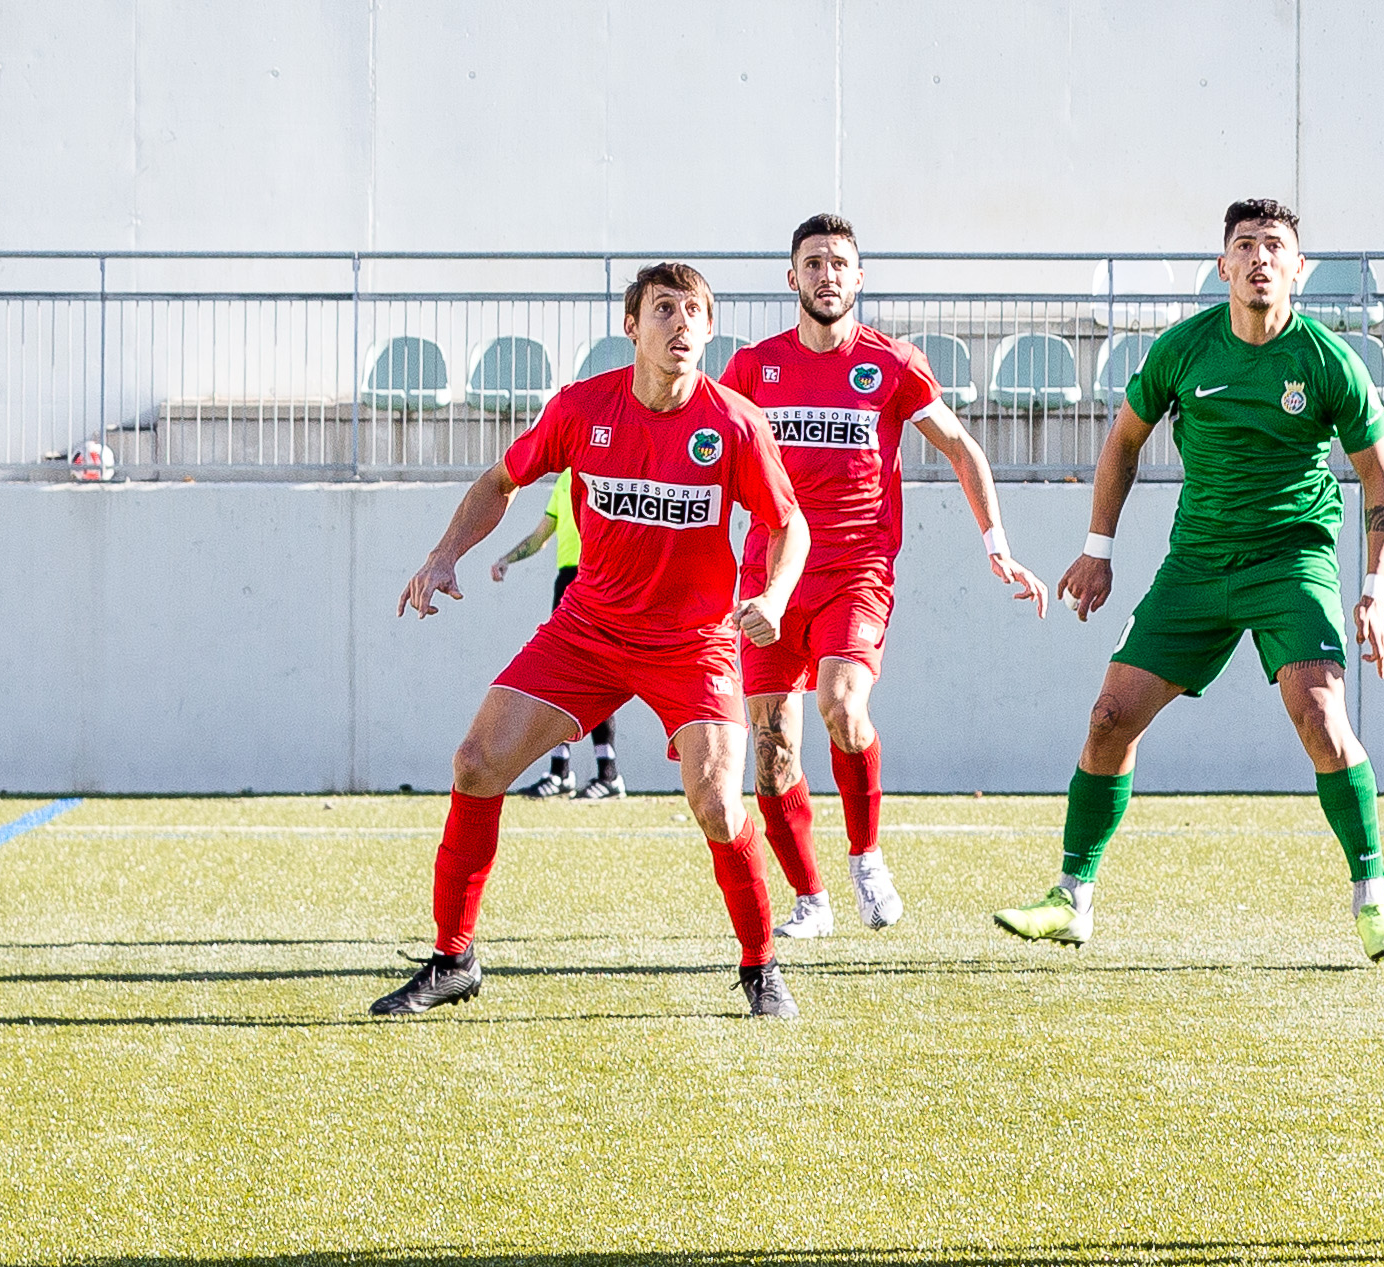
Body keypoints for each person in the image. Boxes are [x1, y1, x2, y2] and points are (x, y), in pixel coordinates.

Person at [377, 262, 808, 1018]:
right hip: (588, 631)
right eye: (663, 308)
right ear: (631, 326)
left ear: (709, 330)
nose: (681, 323)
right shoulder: (582, 408)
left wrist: (772, 594)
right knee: (475, 764)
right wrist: (445, 554)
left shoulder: (735, 422)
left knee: (715, 804)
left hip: (693, 644)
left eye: (695, 312)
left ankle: (760, 966)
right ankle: (453, 959)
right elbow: (498, 481)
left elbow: (788, 523)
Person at [992, 199, 1384, 962]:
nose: (1258, 258)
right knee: (1108, 717)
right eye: (1244, 245)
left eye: (1273, 246)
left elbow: (1380, 482)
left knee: (1319, 717)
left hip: (1291, 559)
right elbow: (1123, 441)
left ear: (1297, 268)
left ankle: (1371, 896)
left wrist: (1375, 589)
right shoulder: (1185, 349)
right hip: (1195, 564)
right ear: (1222, 265)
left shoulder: (1327, 361)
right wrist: (1097, 547)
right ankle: (1071, 897)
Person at [723, 214, 1047, 938]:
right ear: (792, 278)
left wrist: (995, 542)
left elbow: (961, 447)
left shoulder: (892, 363)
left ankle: (866, 858)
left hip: (855, 571)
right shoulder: (752, 369)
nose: (826, 273)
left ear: (858, 278)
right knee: (771, 753)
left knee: (842, 704)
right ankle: (811, 899)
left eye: (840, 262)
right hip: (770, 579)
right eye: (812, 262)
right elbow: (713, 465)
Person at [489, 472, 624, 798]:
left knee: (599, 675)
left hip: (600, 580)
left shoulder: (609, 469)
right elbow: (540, 537)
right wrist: (507, 558)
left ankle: (609, 774)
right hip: (568, 584)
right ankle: (561, 771)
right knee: (563, 676)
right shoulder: (564, 480)